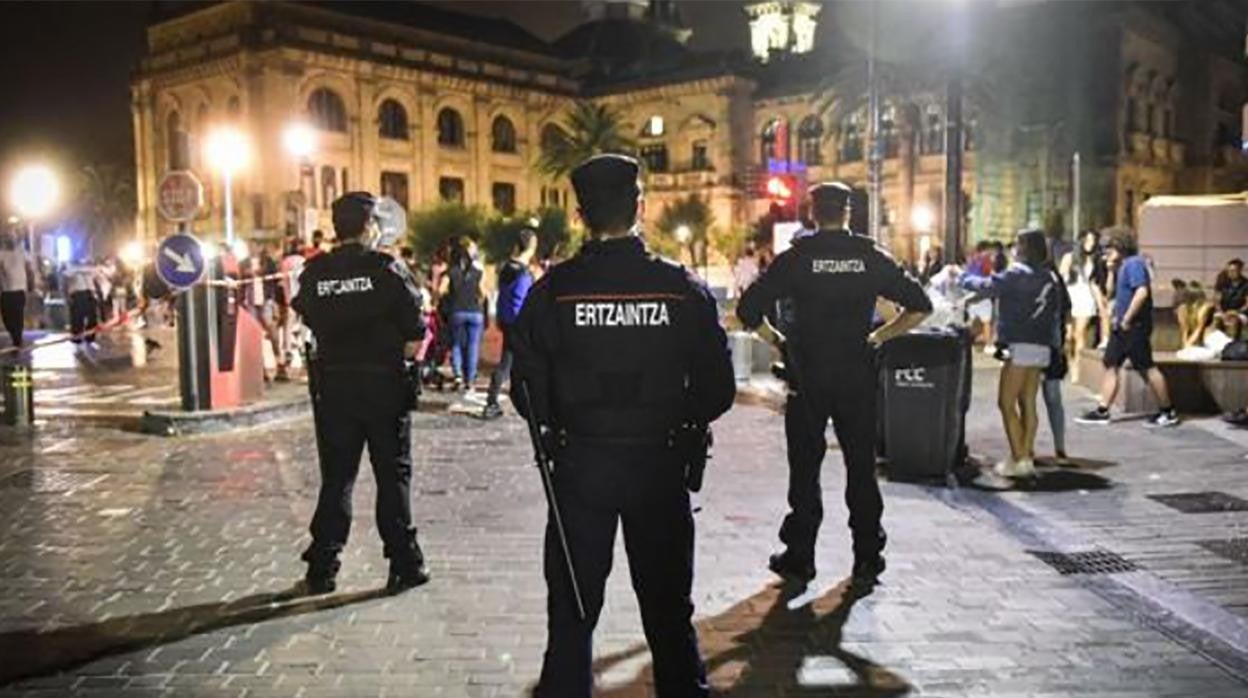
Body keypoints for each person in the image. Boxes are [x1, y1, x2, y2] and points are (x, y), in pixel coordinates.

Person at [510, 155, 735, 697]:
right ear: (641, 207)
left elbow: (525, 390)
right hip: (659, 467)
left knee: (572, 611)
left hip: (580, 467)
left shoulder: (553, 293)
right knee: (668, 610)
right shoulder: (681, 289)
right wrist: (678, 418)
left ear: (582, 214)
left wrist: (569, 420)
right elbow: (718, 389)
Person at [737, 181, 932, 588]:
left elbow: (748, 309)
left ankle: (801, 556)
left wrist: (781, 343)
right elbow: (919, 306)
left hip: (807, 376)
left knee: (805, 470)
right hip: (856, 375)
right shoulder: (869, 257)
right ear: (848, 212)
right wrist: (877, 338)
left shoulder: (796, 259)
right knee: (861, 467)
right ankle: (866, 556)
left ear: (812, 213)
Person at [291, 192, 429, 595]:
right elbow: (415, 331)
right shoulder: (387, 269)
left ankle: (323, 565)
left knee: (337, 478)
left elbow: (307, 315)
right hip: (384, 386)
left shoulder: (317, 273)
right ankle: (404, 562)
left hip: (335, 387)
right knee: (393, 475)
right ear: (370, 227)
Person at [960, 231, 1061, 478]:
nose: (1013, 248)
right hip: (1042, 344)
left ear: (1025, 248)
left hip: (1020, 345)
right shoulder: (1049, 276)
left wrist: (962, 276)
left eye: (1017, 244)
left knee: (1006, 402)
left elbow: (988, 285)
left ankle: (1020, 459)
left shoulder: (1017, 274)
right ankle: (1025, 454)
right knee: (1028, 402)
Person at [1075, 227, 1178, 427]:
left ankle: (1168, 411)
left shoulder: (1135, 264)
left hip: (1133, 326)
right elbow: (1111, 292)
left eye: (1109, 248)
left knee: (1147, 367)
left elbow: (1142, 292)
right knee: (1111, 364)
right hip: (1121, 326)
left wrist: (1127, 319)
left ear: (1121, 246)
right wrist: (1112, 270)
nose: (1105, 252)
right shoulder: (1123, 266)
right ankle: (1103, 410)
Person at [483, 227, 537, 420]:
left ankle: (495, 399)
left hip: (506, 318)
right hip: (519, 322)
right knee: (512, 363)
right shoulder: (523, 273)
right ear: (531, 245)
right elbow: (523, 299)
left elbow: (503, 295)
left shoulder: (507, 267)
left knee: (509, 361)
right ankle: (493, 401)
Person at [1059, 230, 1108, 381]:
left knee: (1079, 334)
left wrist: (1100, 301)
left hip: (1086, 298)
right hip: (1069, 297)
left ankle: (1078, 368)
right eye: (1087, 240)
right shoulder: (1069, 257)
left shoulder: (1095, 259)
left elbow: (1096, 282)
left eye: (1093, 241)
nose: (1090, 244)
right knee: (1067, 337)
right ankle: (1069, 362)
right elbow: (1061, 278)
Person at [440, 237, 485, 394]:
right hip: (475, 312)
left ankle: (458, 375)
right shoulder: (478, 272)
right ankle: (470, 380)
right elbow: (483, 293)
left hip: (457, 311)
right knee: (473, 346)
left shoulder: (451, 272)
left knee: (457, 344)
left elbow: (440, 290)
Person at [0, 231, 36, 349]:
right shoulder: (1, 254)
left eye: (12, 239)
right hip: (6, 291)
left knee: (18, 315)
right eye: (8, 239)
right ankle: (14, 335)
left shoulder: (22, 253)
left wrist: (31, 284)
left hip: (19, 289)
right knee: (6, 317)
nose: (10, 241)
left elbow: (29, 269)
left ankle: (17, 339)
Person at [64, 257, 104, 346]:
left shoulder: (90, 269)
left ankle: (89, 336)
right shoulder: (71, 269)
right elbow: (67, 278)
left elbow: (98, 277)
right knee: (78, 318)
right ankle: (78, 337)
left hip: (88, 293)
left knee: (91, 317)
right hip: (78, 294)